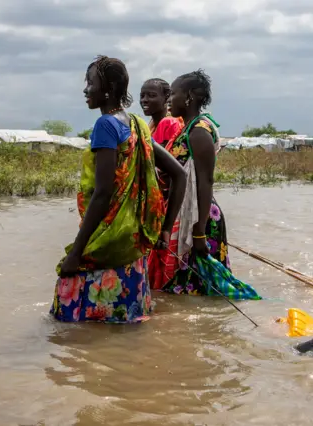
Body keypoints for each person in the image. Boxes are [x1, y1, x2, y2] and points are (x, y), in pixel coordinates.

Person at [50, 55, 186, 323]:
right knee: (127, 327)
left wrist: (76, 253)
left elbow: (102, 193)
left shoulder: (106, 125)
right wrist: (165, 229)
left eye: (90, 83)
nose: (85, 89)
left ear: (108, 89)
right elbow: (179, 174)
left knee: (68, 320)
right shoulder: (136, 125)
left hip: (106, 240)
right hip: (133, 244)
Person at [161, 69, 233, 296]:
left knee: (204, 291)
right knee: (192, 289)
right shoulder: (188, 128)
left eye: (173, 93)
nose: (169, 99)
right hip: (192, 215)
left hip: (200, 220)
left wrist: (199, 232)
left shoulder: (199, 131)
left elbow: (205, 181)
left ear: (189, 96)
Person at [140, 78, 186, 290]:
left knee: (160, 261)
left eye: (151, 95)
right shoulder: (152, 125)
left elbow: (167, 169)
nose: (145, 100)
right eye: (143, 95)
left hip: (165, 201)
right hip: (160, 200)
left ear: (166, 99)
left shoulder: (168, 123)